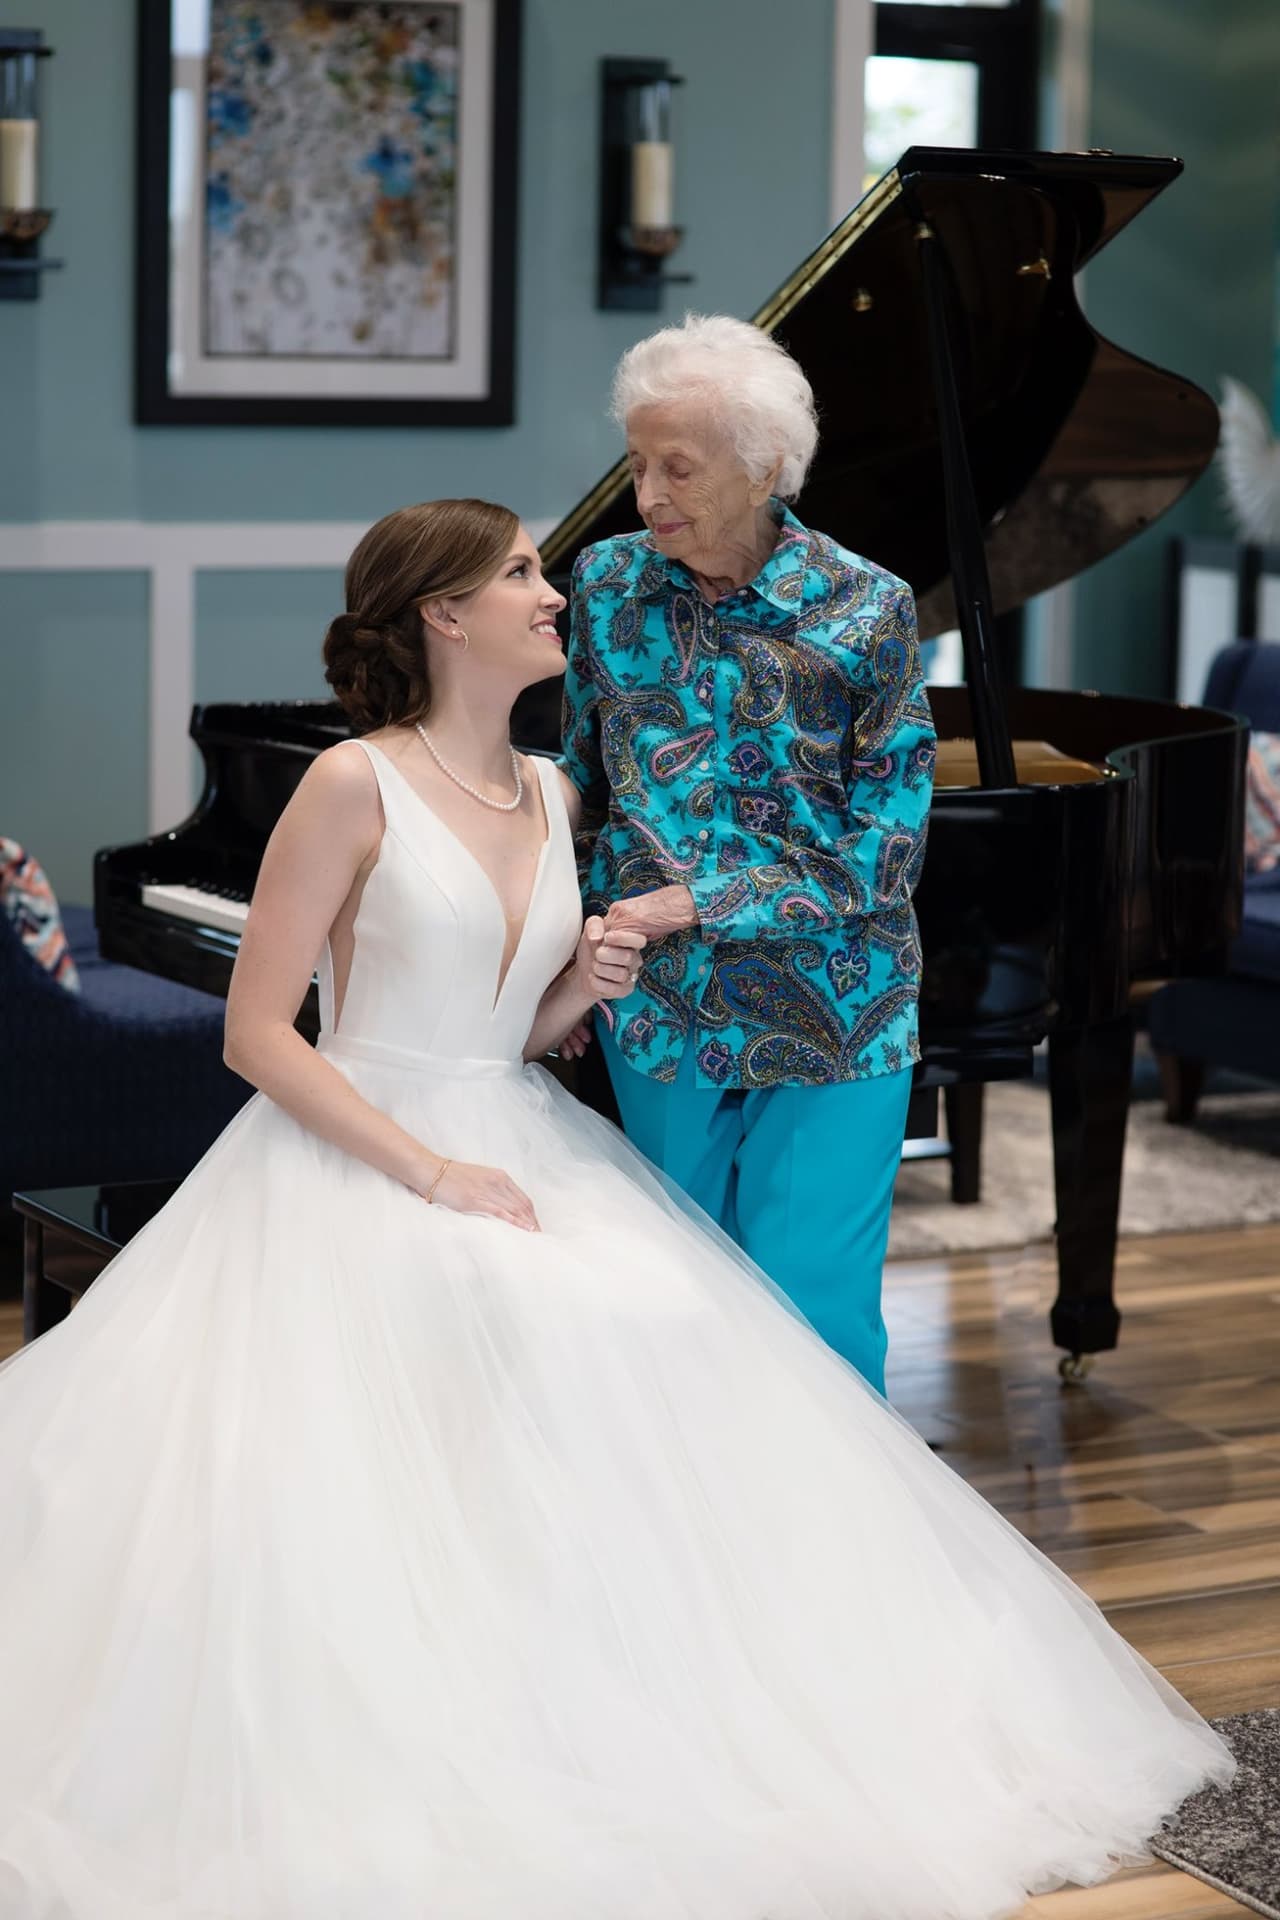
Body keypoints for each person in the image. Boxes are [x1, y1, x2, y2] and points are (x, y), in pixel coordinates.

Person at [0, 499, 1231, 1919]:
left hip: (508, 1125)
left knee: (672, 1335)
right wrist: (429, 1171)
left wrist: (582, 989)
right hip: (363, 1151)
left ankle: (648, 1686)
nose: (556, 590)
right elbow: (261, 1038)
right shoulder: (349, 782)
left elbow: (508, 1034)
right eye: (523, 574)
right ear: (443, 616)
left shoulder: (555, 793)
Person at [562, 313, 934, 1394]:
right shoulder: (605, 586)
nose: (646, 495)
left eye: (676, 467)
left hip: (836, 1009)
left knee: (810, 1313)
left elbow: (887, 849)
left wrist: (693, 902)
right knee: (671, 1304)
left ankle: (826, 1552)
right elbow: (579, 777)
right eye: (635, 463)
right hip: (657, 1010)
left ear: (766, 467)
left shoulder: (869, 610)